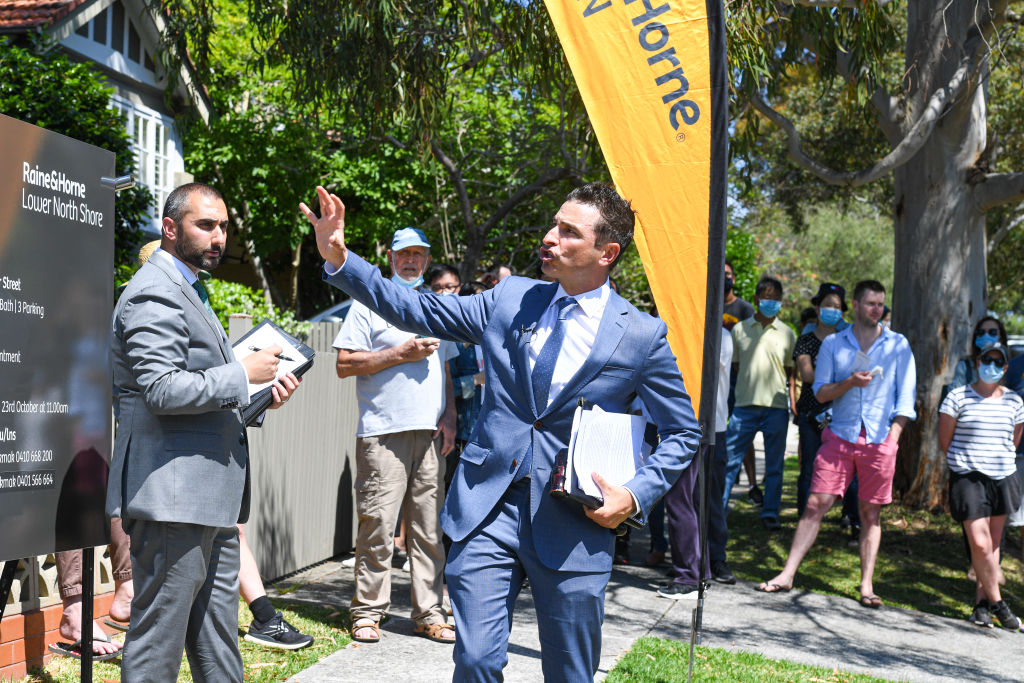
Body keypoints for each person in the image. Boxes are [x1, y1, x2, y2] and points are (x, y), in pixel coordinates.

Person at [303, 182, 700, 680]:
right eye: (554, 224)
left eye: (568, 232)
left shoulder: (641, 336)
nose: (550, 238)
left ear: (607, 252)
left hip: (576, 522)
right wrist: (342, 259)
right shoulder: (511, 298)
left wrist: (636, 495)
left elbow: (683, 432)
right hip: (486, 508)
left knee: (571, 671)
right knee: (475, 660)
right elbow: (417, 310)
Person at [107, 183, 300, 680]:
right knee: (158, 645)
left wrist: (256, 396)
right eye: (206, 225)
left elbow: (200, 390)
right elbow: (162, 389)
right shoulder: (153, 291)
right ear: (170, 229)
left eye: (224, 227)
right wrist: (242, 374)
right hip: (172, 497)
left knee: (217, 641)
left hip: (210, 500)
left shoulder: (191, 289)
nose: (219, 238)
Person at [333, 227, 458, 645]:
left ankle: (429, 612)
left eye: (420, 255)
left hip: (429, 435)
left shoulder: (435, 304)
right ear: (389, 258)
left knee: (428, 530)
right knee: (378, 526)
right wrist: (398, 354)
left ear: (426, 259)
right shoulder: (369, 302)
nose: (412, 261)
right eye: (405, 254)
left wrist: (451, 417)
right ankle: (368, 612)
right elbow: (345, 364)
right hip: (382, 433)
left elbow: (445, 369)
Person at [759, 280, 916, 608]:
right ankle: (787, 574)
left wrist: (892, 441)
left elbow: (906, 400)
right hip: (841, 435)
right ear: (856, 306)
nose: (877, 309)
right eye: (870, 303)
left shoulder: (898, 345)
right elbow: (820, 392)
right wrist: (849, 383)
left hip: (879, 440)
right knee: (816, 503)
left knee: (870, 513)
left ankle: (866, 585)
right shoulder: (834, 345)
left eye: (880, 304)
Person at [939, 341, 1023, 629]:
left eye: (999, 362)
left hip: (1003, 477)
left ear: (1006, 367)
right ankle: (1000, 603)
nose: (993, 366)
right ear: (977, 362)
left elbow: (1014, 441)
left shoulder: (1014, 401)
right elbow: (944, 440)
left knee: (994, 543)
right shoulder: (957, 397)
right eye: (988, 359)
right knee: (979, 542)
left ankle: (981, 606)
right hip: (968, 477)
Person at [721, 275, 795, 531]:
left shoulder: (788, 333)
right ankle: (718, 511)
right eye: (766, 298)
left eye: (775, 299)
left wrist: (792, 401)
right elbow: (736, 366)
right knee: (730, 462)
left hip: (776, 408)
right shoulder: (740, 330)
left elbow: (790, 372)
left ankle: (770, 513)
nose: (771, 302)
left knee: (775, 466)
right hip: (744, 407)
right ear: (756, 299)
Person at [792, 283, 860, 533]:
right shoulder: (806, 340)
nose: (830, 310)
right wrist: (842, 378)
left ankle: (852, 518)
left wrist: (837, 379)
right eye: (826, 305)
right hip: (812, 415)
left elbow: (858, 372)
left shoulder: (849, 340)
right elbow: (807, 375)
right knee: (809, 468)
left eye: (836, 306)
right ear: (817, 307)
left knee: (849, 470)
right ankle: (804, 520)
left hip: (842, 415)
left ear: (843, 310)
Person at [721, 261, 762, 506]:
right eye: (721, 274)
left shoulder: (745, 309)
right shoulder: (708, 304)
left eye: (728, 274)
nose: (724, 278)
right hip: (714, 382)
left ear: (734, 279)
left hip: (738, 379)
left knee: (743, 436)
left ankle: (753, 484)